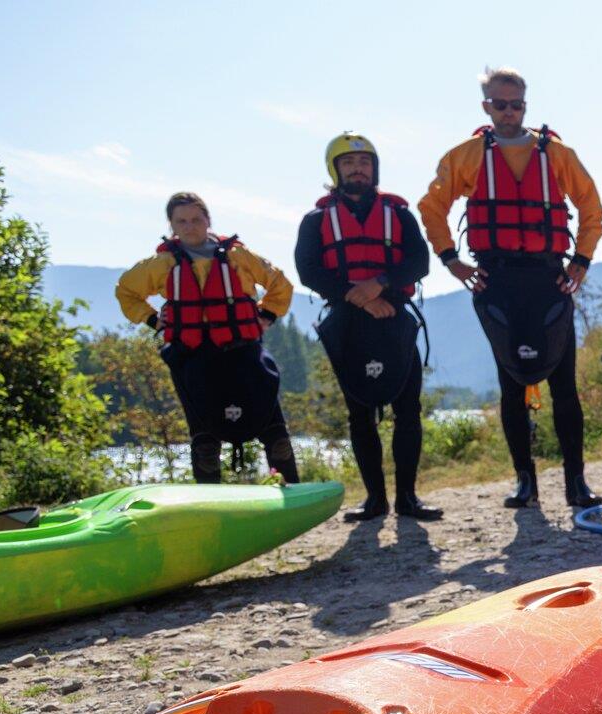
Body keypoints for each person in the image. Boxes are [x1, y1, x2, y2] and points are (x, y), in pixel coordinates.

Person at [420, 66, 602, 510]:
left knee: (564, 384)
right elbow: (431, 207)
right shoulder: (466, 156)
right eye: (499, 104)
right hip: (495, 279)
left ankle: (576, 483)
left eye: (516, 103)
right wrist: (450, 259)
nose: (508, 111)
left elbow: (592, 207)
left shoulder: (556, 154)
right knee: (510, 386)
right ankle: (526, 481)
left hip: (549, 277)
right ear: (486, 106)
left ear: (526, 103)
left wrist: (581, 259)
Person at [296, 132, 440, 522]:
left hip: (395, 314)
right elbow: (308, 270)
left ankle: (408, 498)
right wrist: (356, 295)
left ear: (373, 169)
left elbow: (418, 263)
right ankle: (375, 500)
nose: (357, 169)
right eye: (348, 163)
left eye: (364, 163)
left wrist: (380, 286)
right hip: (346, 320)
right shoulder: (316, 220)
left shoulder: (399, 215)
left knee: (407, 409)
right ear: (335, 169)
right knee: (359, 411)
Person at [116, 193, 299, 484]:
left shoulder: (238, 256)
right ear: (172, 225)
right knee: (204, 442)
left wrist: (267, 315)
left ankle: (290, 489)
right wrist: (153, 321)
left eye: (196, 219)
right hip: (193, 357)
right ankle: (211, 503)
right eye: (182, 221)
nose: (190, 226)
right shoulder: (161, 264)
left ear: (208, 220)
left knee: (273, 429)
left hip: (243, 352)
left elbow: (280, 284)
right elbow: (126, 290)